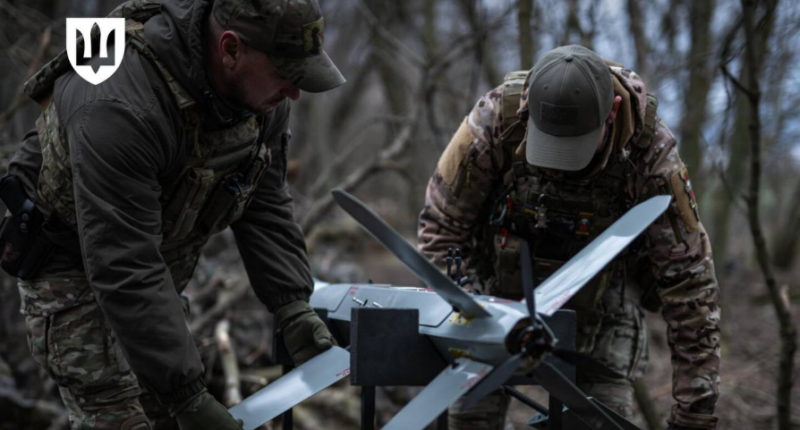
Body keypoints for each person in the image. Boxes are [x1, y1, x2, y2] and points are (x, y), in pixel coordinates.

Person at [2, 0, 345, 428]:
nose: (294, 92)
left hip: (152, 267)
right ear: (231, 49)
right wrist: (187, 395)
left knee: (165, 409)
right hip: (70, 268)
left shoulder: (262, 96)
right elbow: (123, 261)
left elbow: (264, 198)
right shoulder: (117, 103)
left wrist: (292, 303)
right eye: (284, 75)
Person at [418, 45, 721, 430]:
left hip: (602, 313)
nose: (559, 165)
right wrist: (475, 311)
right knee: (468, 420)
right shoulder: (495, 120)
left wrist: (694, 415)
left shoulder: (653, 160)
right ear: (528, 104)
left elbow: (691, 287)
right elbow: (440, 228)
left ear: (612, 112)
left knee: (600, 422)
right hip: (491, 300)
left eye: (573, 148)